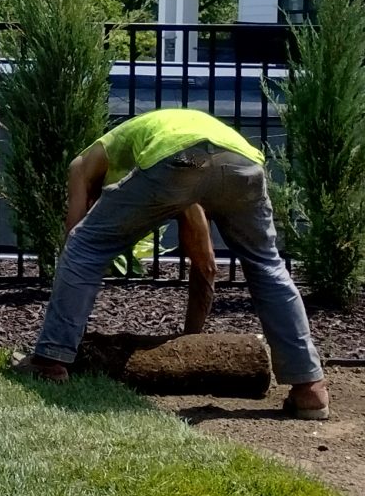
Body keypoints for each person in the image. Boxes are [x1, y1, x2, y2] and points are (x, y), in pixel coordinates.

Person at [18, 107, 329, 418]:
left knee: (83, 246)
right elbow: (206, 264)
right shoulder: (162, 144)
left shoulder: (84, 163)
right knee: (266, 265)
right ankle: (309, 387)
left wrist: (70, 324)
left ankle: (49, 362)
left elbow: (74, 241)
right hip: (241, 162)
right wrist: (190, 342)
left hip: (184, 158)